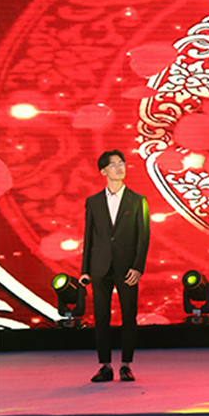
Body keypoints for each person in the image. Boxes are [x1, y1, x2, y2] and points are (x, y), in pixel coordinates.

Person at [80, 150, 150, 382]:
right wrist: (85, 270)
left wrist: (138, 267)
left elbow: (143, 237)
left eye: (122, 163)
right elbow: (89, 237)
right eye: (114, 165)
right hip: (99, 267)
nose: (120, 168)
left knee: (129, 316)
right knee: (101, 318)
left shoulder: (138, 200)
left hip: (127, 268)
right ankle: (105, 366)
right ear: (103, 171)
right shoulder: (93, 202)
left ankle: (126, 365)